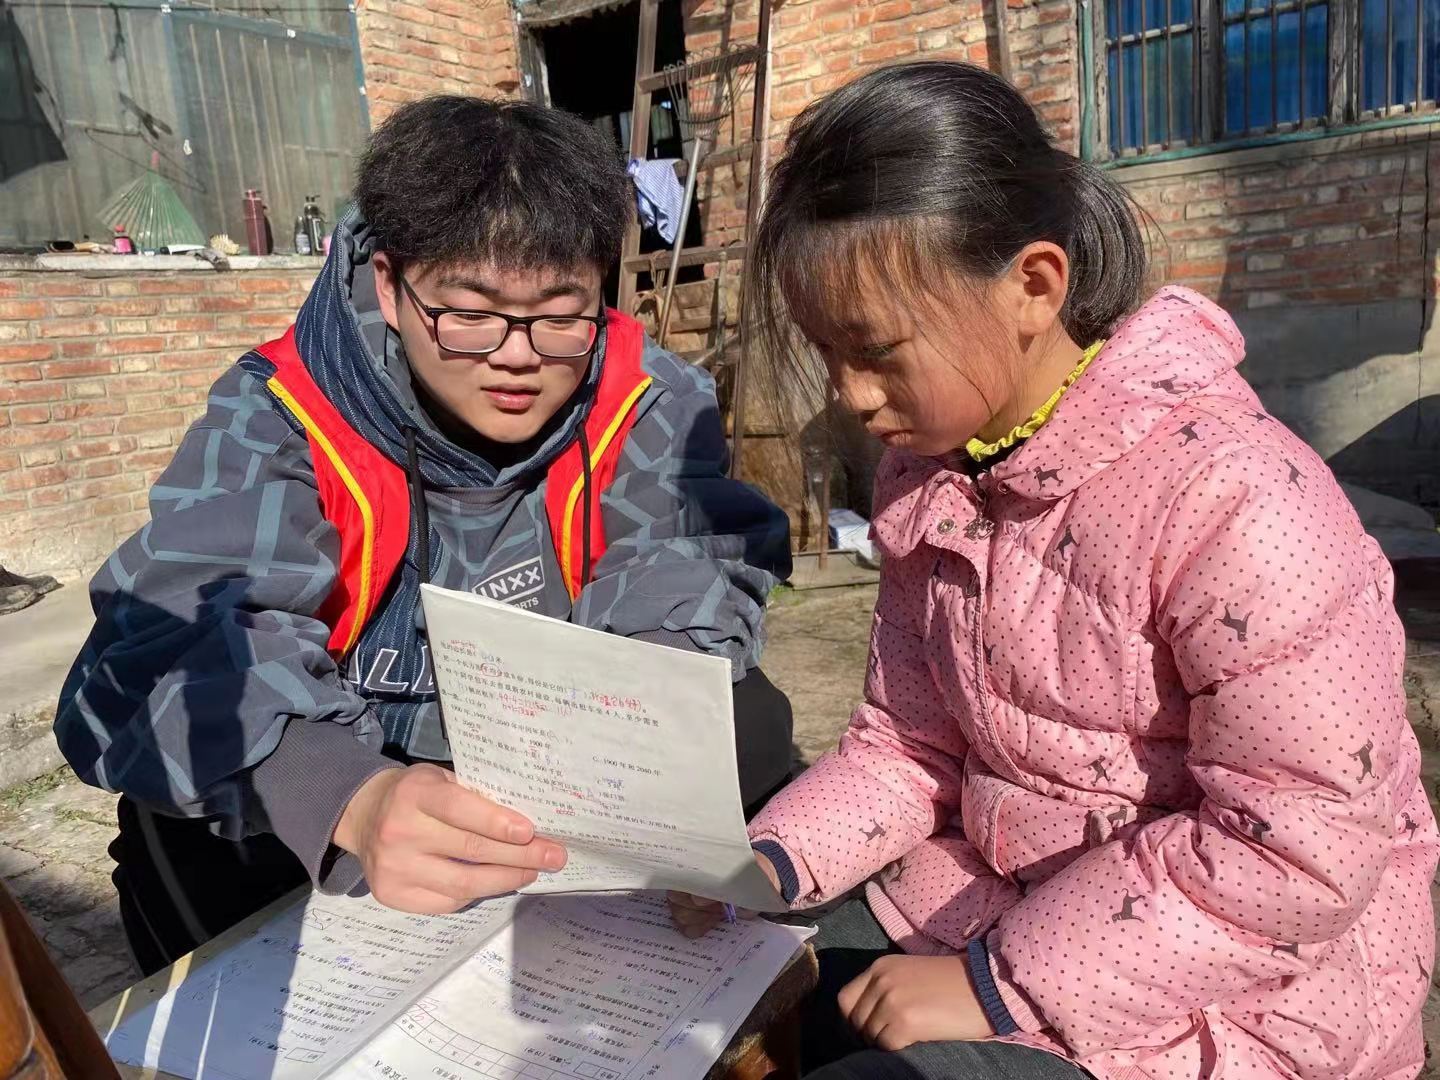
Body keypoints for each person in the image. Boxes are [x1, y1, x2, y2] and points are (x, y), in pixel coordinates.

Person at [671, 61, 1437, 1080]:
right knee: (730, 998)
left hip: (1229, 994)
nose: (850, 396)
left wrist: (1001, 986)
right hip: (989, 899)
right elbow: (907, 743)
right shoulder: (932, 479)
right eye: (827, 353)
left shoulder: (1239, 501)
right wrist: (767, 861)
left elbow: (1296, 849)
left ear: (1032, 286)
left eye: (877, 351)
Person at [56, 96, 794, 976]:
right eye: (470, 313)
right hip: (336, 788)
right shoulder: (282, 411)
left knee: (753, 724)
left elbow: (684, 556)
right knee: (199, 831)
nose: (517, 355)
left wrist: (643, 708)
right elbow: (175, 636)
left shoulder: (645, 395)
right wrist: (347, 797)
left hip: (543, 785)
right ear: (390, 284)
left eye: (561, 313)